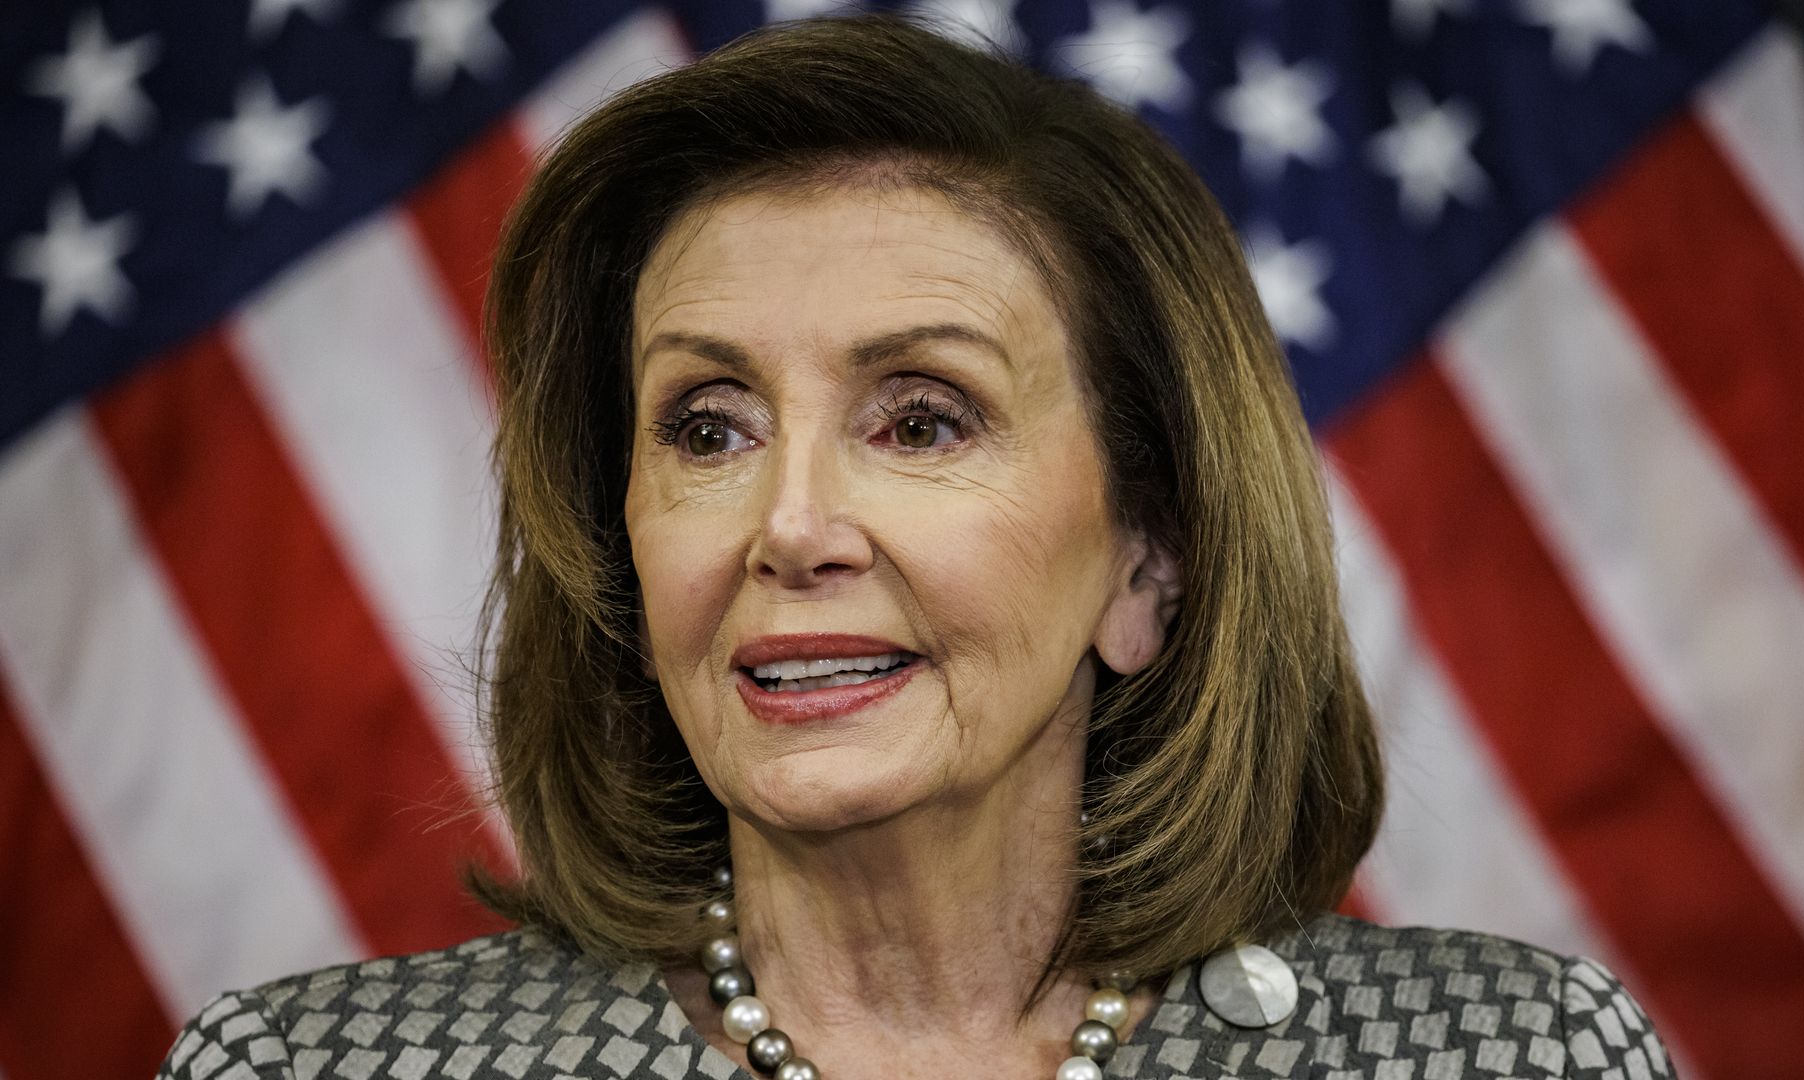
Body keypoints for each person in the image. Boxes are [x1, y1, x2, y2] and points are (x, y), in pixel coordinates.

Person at [157, 13, 1673, 1080]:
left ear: (1151, 568)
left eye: (926, 420)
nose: (793, 526)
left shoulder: (1523, 1055)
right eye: (706, 426)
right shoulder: (298, 1071)